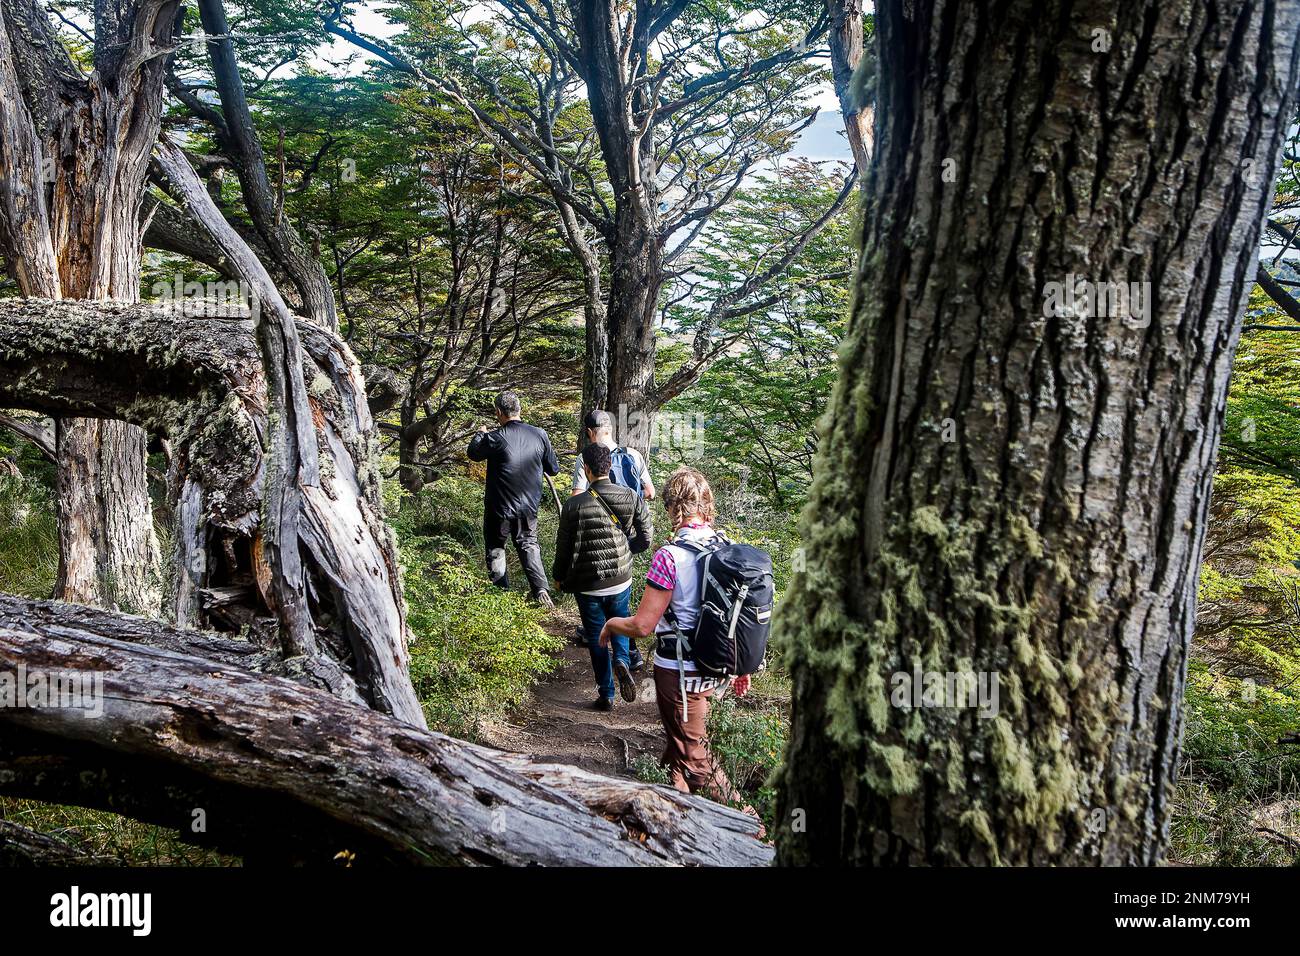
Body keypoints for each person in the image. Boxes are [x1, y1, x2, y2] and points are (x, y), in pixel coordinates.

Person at [599, 466, 749, 802]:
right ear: (706, 503)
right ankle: (675, 812)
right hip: (717, 666)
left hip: (680, 672)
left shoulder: (669, 557)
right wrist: (743, 665)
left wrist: (611, 625)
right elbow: (738, 613)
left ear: (671, 508)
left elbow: (642, 625)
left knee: (696, 760)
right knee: (681, 743)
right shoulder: (727, 547)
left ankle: (756, 832)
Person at [552, 443, 653, 711]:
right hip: (621, 578)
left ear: (586, 469)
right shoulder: (630, 497)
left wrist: (558, 578)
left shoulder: (573, 505)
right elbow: (646, 537)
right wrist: (627, 551)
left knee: (597, 635)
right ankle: (622, 658)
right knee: (619, 622)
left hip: (587, 584)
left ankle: (606, 694)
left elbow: (563, 549)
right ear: (609, 466)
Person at [467, 391, 559, 608]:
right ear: (520, 410)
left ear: (498, 412)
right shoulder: (539, 434)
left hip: (498, 508)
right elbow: (553, 469)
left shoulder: (495, 437)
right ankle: (541, 591)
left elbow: (473, 453)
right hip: (529, 506)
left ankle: (502, 597)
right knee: (529, 544)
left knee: (496, 547)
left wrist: (480, 434)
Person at [571, 409, 655, 499]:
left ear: (590, 432)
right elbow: (650, 493)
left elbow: (577, 495)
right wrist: (628, 499)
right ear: (610, 429)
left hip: (600, 512)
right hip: (632, 511)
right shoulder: (634, 454)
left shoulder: (585, 456)